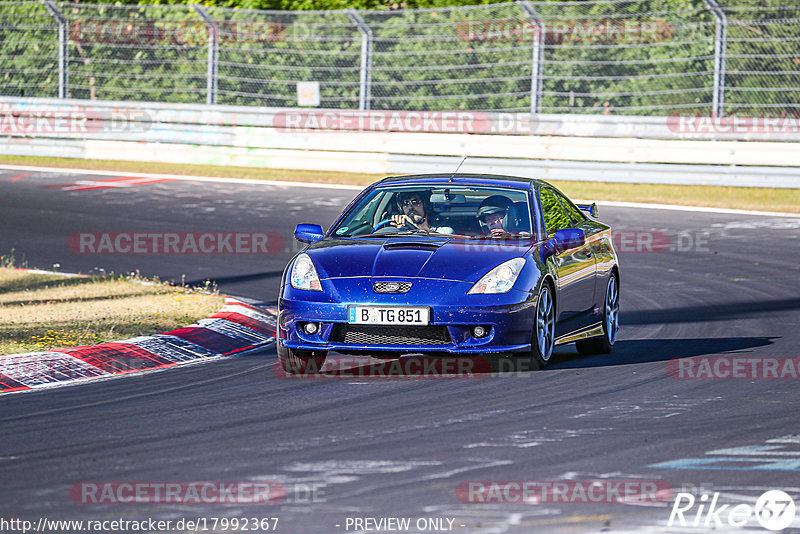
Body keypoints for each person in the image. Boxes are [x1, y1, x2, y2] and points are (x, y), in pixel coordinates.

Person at [389, 191, 453, 234]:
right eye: (406, 203)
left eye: (415, 202)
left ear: (425, 205)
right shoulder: (400, 229)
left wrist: (414, 226)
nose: (410, 207)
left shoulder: (444, 230)